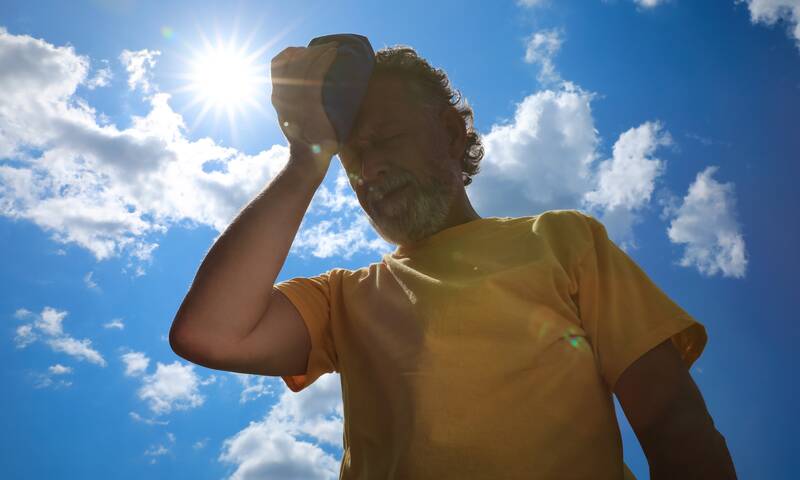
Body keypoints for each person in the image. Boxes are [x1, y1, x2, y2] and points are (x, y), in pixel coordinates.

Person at [169, 41, 737, 479]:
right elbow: (208, 333)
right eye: (349, 157)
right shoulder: (342, 297)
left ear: (449, 129)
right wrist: (305, 159)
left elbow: (672, 421)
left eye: (385, 136)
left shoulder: (563, 240)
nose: (369, 169)